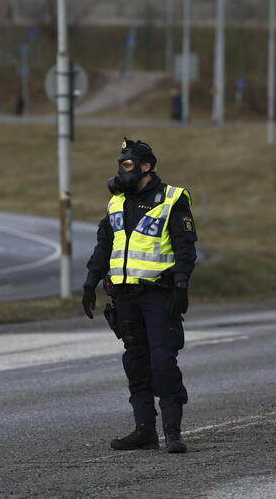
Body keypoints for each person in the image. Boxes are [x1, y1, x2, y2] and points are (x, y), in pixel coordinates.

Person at [81, 138, 198, 454]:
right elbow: (105, 245)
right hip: (125, 297)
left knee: (163, 363)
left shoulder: (171, 200)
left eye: (128, 164)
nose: (122, 170)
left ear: (147, 166)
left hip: (159, 296)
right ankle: (144, 431)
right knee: (135, 363)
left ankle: (172, 433)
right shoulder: (117, 202)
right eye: (120, 164)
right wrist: (90, 282)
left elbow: (186, 249)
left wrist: (182, 286)